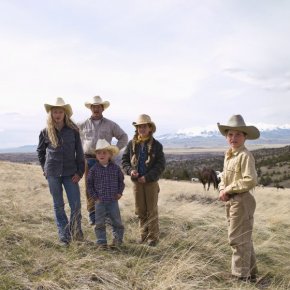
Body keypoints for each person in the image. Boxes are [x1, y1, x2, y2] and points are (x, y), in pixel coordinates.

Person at [217, 114, 260, 282]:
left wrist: (228, 189)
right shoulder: (229, 155)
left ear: (245, 137)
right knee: (243, 237)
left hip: (242, 200)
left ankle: (240, 276)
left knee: (236, 238)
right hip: (232, 200)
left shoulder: (244, 155)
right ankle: (250, 273)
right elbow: (223, 177)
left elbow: (251, 180)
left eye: (238, 134)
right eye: (230, 134)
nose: (233, 138)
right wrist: (222, 189)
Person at [37, 97, 85, 246]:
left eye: (60, 112)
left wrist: (80, 172)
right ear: (51, 114)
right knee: (58, 205)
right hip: (52, 173)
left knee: (75, 204)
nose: (57, 114)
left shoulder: (73, 130)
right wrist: (44, 168)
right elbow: (41, 151)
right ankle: (64, 236)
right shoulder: (45, 132)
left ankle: (76, 231)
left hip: (71, 173)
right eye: (55, 112)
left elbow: (79, 152)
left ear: (65, 113)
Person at [78, 96, 128, 225]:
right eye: (93, 107)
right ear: (91, 108)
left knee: (108, 186)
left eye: (98, 107)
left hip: (106, 159)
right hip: (89, 159)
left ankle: (107, 215)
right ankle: (92, 215)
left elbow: (124, 137)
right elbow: (73, 138)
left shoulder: (111, 124)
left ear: (102, 108)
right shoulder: (82, 124)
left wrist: (115, 150)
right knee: (90, 187)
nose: (96, 109)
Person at [121, 114, 165, 246]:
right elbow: (125, 161)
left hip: (150, 183)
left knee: (151, 210)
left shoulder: (157, 145)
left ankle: (153, 238)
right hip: (137, 184)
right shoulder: (131, 144)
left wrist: (147, 177)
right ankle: (143, 236)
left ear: (150, 128)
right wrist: (130, 171)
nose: (142, 129)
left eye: (144, 126)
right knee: (140, 210)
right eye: (139, 127)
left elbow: (160, 165)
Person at [87, 139, 125, 249]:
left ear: (110, 154)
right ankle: (101, 242)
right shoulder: (93, 170)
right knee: (99, 223)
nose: (101, 155)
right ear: (96, 155)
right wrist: (95, 197)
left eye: (104, 152)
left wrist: (119, 192)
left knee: (116, 221)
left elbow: (120, 181)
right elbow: (89, 185)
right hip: (100, 202)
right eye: (99, 153)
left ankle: (117, 241)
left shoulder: (116, 169)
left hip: (113, 201)